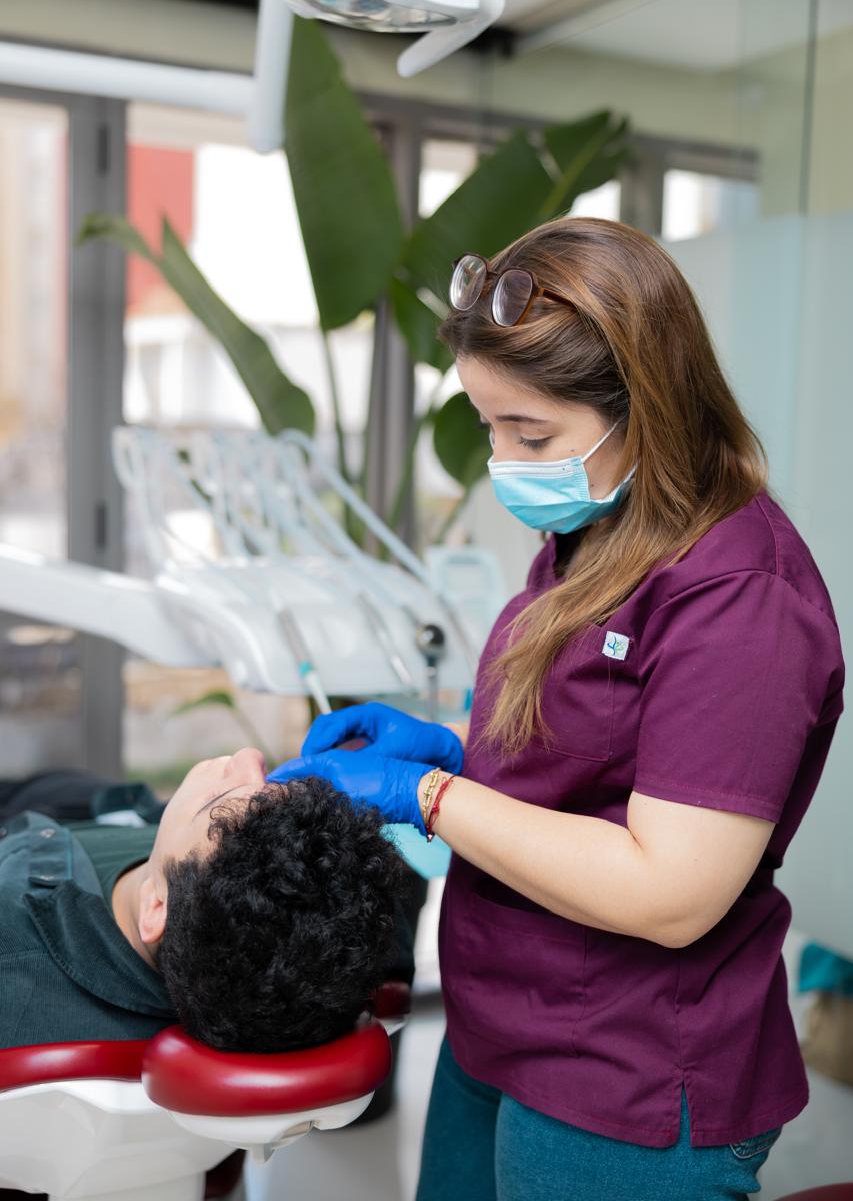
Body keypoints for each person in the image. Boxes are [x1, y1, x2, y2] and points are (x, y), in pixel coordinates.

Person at [268, 217, 846, 1201]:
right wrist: (445, 748)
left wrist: (432, 795)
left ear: (649, 412)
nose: (501, 459)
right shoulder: (593, 532)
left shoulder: (740, 599)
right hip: (501, 1026)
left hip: (622, 1069)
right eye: (489, 423)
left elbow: (671, 889)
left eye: (527, 433)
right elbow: (589, 764)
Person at [0, 748, 410, 1052]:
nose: (251, 756)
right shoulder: (344, 934)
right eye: (273, 791)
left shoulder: (14, 956)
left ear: (156, 907)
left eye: (214, 805)